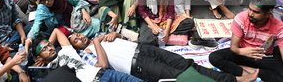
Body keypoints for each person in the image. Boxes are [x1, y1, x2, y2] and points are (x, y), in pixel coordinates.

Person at [70, 31, 258, 82]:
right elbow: (102, 66)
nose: (79, 37)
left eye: (77, 34)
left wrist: (116, 35)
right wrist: (96, 43)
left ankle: (234, 79)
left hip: (143, 50)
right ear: (75, 47)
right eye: (75, 40)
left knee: (187, 63)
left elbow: (126, 38)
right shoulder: (85, 55)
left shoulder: (102, 35)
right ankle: (233, 80)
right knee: (184, 76)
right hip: (138, 66)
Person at [209, 0, 283, 82]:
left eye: (256, 12)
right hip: (242, 53)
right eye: (249, 9)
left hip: (264, 57)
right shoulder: (241, 18)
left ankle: (248, 70)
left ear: (267, 14)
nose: (250, 14)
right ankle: (249, 76)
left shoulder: (279, 27)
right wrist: (240, 51)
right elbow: (233, 47)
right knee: (215, 57)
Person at [31, 28, 144, 82]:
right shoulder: (49, 72)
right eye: (44, 49)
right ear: (39, 57)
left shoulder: (65, 50)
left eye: (49, 45)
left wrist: (46, 46)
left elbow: (56, 31)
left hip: (107, 73)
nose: (50, 48)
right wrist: (45, 62)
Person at [25, 0, 100, 48]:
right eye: (44, 0)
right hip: (57, 32)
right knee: (75, 40)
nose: (47, 2)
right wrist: (29, 39)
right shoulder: (42, 8)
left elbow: (78, 2)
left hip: (73, 22)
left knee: (96, 24)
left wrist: (84, 12)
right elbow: (36, 26)